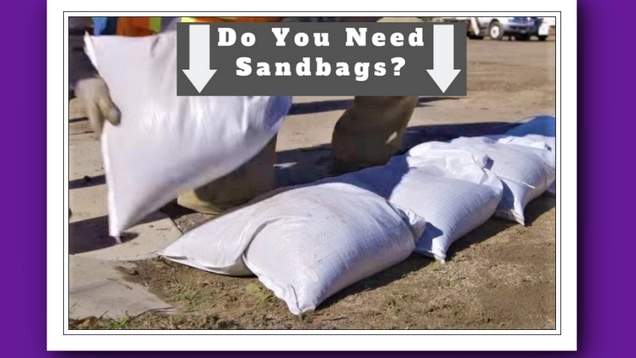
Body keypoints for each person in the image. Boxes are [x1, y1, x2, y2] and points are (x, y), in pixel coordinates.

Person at [69, 16, 420, 215]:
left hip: (266, 43)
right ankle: (192, 168)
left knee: (411, 40)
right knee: (225, 202)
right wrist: (84, 73)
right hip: (185, 56)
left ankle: (365, 170)